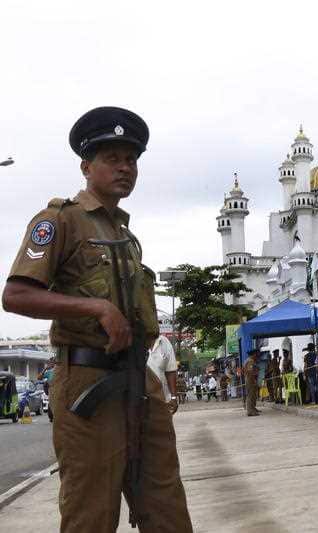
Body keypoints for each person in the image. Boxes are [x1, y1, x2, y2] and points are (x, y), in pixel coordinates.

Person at [1, 106, 192, 532]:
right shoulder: (60, 220)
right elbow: (15, 295)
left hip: (137, 383)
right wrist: (96, 308)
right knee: (91, 515)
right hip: (87, 387)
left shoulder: (126, 236)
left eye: (132, 159)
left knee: (166, 509)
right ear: (87, 166)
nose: (125, 167)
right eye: (112, 158)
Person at [147, 335, 179, 414]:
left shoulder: (164, 342)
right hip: (139, 402)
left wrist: (173, 397)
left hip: (162, 400)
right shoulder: (132, 340)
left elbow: (170, 370)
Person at [244, 349, 260, 416]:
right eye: (256, 354)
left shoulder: (249, 360)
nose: (257, 356)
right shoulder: (250, 361)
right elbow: (250, 372)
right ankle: (250, 411)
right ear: (253, 354)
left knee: (253, 395)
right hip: (250, 380)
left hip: (250, 379)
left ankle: (252, 408)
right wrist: (254, 380)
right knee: (250, 395)